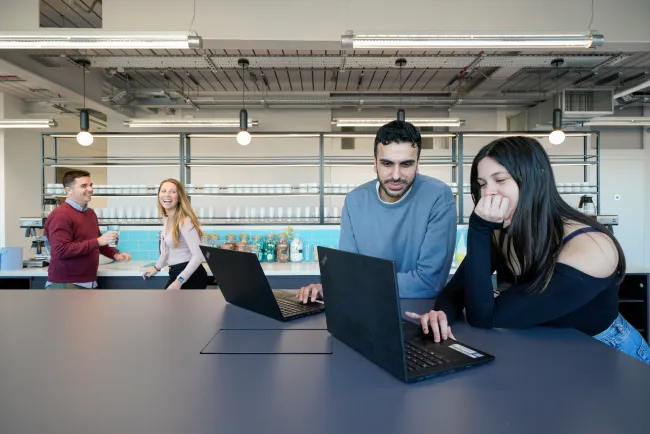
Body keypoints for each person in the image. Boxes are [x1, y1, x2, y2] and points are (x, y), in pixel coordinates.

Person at [406, 136, 650, 364]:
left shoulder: (590, 248)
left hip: (608, 354)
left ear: (534, 180)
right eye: (482, 184)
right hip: (547, 349)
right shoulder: (503, 232)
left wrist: (479, 229)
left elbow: (485, 317)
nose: (488, 193)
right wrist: (440, 313)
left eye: (500, 180)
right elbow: (458, 290)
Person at [297, 120, 457, 302]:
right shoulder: (354, 201)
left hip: (417, 313)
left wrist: (351, 284)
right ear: (375, 163)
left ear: (417, 164)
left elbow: (429, 283)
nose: (396, 175)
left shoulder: (438, 197)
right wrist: (331, 287)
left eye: (406, 164)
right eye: (387, 164)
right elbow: (348, 272)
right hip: (365, 312)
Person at [44, 170, 132, 289]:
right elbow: (61, 250)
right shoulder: (61, 215)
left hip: (88, 282)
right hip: (67, 284)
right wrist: (98, 241)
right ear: (68, 190)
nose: (90, 189)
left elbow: (98, 243)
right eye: (83, 186)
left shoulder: (89, 213)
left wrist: (115, 255)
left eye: (91, 185)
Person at [141, 178, 208, 290]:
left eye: (172, 191)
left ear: (179, 197)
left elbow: (199, 255)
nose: (167, 195)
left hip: (190, 275)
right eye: (163, 191)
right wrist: (156, 268)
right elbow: (166, 251)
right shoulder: (167, 219)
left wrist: (179, 281)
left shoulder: (185, 221)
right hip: (176, 272)